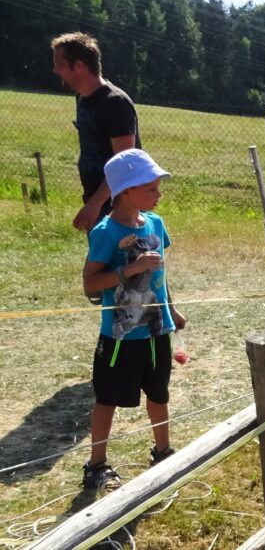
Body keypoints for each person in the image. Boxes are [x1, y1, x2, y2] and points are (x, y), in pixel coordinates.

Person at [81, 149, 185, 489]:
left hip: (156, 330)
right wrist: (129, 269)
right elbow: (91, 283)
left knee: (159, 393)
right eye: (151, 188)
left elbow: (159, 276)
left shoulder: (156, 224)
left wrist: (172, 309)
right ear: (126, 191)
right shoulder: (106, 232)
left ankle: (163, 451)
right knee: (108, 398)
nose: (159, 194)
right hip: (120, 337)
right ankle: (96, 464)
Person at [51, 32, 140, 232]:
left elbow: (125, 162)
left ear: (79, 66)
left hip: (120, 207)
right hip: (97, 199)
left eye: (59, 64)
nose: (55, 70)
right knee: (99, 251)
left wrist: (95, 204)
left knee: (119, 253)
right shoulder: (82, 97)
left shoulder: (114, 103)